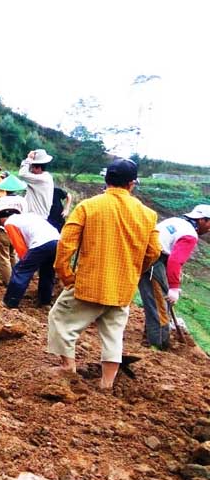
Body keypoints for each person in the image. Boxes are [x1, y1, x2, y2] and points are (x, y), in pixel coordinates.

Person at [48, 158, 160, 389]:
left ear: (106, 179)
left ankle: (68, 366)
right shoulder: (148, 215)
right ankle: (106, 383)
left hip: (89, 284)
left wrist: (66, 275)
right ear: (132, 184)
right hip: (122, 288)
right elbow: (154, 251)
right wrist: (134, 270)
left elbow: (66, 245)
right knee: (113, 335)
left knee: (59, 319)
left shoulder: (89, 206)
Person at [138, 205, 210, 349]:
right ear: (202, 220)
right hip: (154, 260)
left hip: (145, 254)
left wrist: (173, 283)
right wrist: (174, 288)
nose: (209, 229)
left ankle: (150, 337)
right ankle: (159, 345)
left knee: (155, 300)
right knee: (160, 304)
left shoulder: (176, 221)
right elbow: (175, 261)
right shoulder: (190, 234)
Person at [0, 199, 60, 308]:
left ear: (2, 218)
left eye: (0, 223)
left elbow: (20, 247)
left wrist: (26, 263)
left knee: (21, 271)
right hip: (57, 241)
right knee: (48, 272)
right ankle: (45, 302)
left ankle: (10, 302)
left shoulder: (10, 222)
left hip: (40, 243)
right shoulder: (29, 217)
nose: (2, 225)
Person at [0, 195, 25, 285]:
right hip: (15, 231)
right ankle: (15, 277)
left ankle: (9, 282)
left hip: (3, 231)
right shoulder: (21, 200)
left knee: (4, 257)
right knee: (12, 254)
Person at [19, 149, 55, 217]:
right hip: (37, 216)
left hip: (36, 217)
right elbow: (23, 172)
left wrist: (29, 158)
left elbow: (22, 174)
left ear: (37, 168)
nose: (30, 169)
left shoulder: (41, 179)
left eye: (31, 167)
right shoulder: (45, 177)